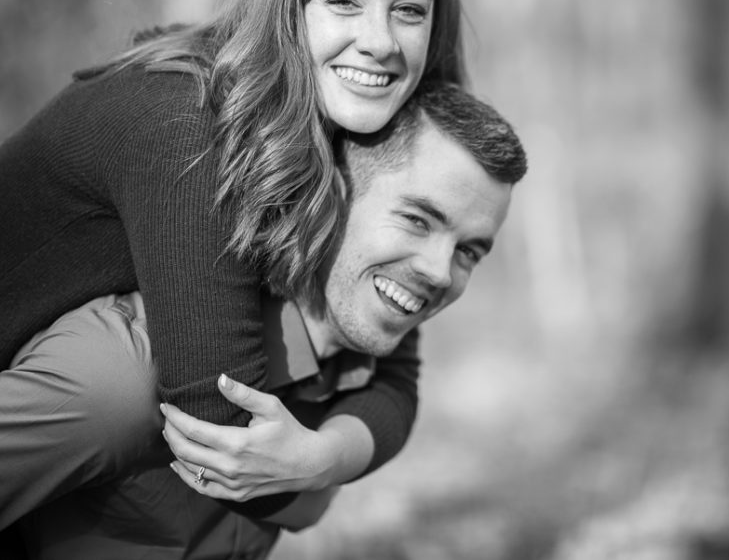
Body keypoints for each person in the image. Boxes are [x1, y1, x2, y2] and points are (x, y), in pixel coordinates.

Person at [0, 0, 465, 516]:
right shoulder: (178, 122)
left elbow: (394, 375)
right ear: (283, 2)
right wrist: (313, 460)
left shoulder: (348, 134)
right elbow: (219, 441)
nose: (382, 40)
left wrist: (322, 456)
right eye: (344, 0)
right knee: (127, 386)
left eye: (409, 9)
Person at [5, 83, 528, 559]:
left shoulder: (357, 377)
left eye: (469, 252)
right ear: (333, 198)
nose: (440, 272)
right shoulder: (122, 372)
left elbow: (395, 402)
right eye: (417, 220)